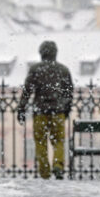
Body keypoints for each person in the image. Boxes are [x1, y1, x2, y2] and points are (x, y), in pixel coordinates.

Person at [17, 40, 74, 180]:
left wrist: (21, 108)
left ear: (41, 53)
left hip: (40, 112)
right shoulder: (63, 70)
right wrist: (66, 108)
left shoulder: (35, 69)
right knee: (59, 141)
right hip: (58, 112)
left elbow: (27, 91)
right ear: (56, 53)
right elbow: (69, 93)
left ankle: (44, 171)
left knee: (40, 143)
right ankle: (58, 166)